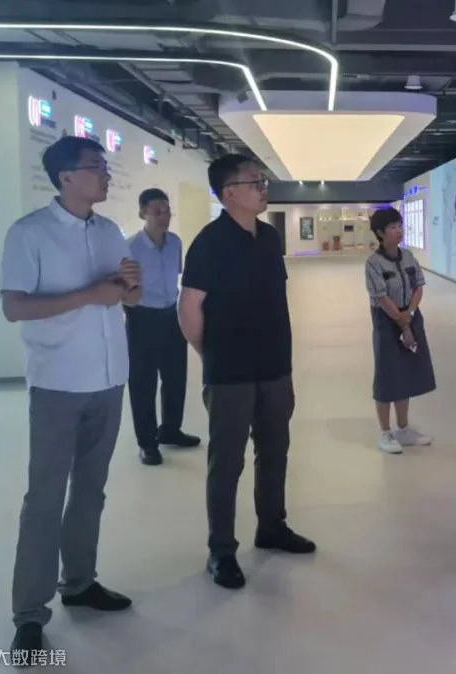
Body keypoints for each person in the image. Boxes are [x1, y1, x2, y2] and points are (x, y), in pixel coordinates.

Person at [0, 136, 140, 659]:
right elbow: (14, 307)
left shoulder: (110, 231)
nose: (106, 175)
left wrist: (131, 287)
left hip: (109, 378)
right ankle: (29, 614)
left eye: (105, 166)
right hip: (57, 383)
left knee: (90, 491)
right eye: (96, 167)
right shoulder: (29, 233)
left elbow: (130, 297)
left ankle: (79, 582)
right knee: (44, 499)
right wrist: (89, 295)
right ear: (66, 177)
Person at [178, 154, 315, 591]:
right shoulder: (209, 243)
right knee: (227, 463)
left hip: (275, 367)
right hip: (230, 373)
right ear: (229, 193)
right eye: (254, 182)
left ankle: (272, 526)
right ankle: (221, 550)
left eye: (263, 181)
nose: (262, 188)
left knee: (274, 451)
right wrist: (211, 355)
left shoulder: (270, 237)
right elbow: (189, 309)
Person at [125, 188, 201, 466]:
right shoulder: (130, 247)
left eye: (167, 210)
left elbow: (175, 276)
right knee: (143, 383)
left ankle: (170, 429)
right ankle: (147, 443)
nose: (164, 216)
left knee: (175, 378)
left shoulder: (175, 243)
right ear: (142, 213)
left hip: (171, 316)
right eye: (157, 210)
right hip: (141, 317)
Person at [364, 207, 436, 454]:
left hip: (410, 315)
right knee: (387, 375)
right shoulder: (374, 263)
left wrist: (410, 315)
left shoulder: (408, 256)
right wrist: (402, 322)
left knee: (405, 372)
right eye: (393, 227)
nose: (399, 231)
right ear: (380, 233)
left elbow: (419, 286)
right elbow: (381, 296)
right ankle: (385, 432)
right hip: (387, 320)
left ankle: (403, 429)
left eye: (400, 225)